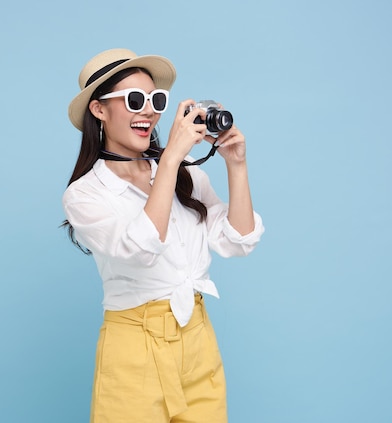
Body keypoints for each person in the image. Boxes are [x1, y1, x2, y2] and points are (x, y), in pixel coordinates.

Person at [61, 48, 264, 423]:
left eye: (157, 100)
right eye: (134, 100)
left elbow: (238, 241)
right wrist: (169, 158)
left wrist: (237, 164)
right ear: (99, 110)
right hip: (133, 348)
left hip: (197, 338)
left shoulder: (185, 173)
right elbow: (142, 248)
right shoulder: (85, 195)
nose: (149, 111)